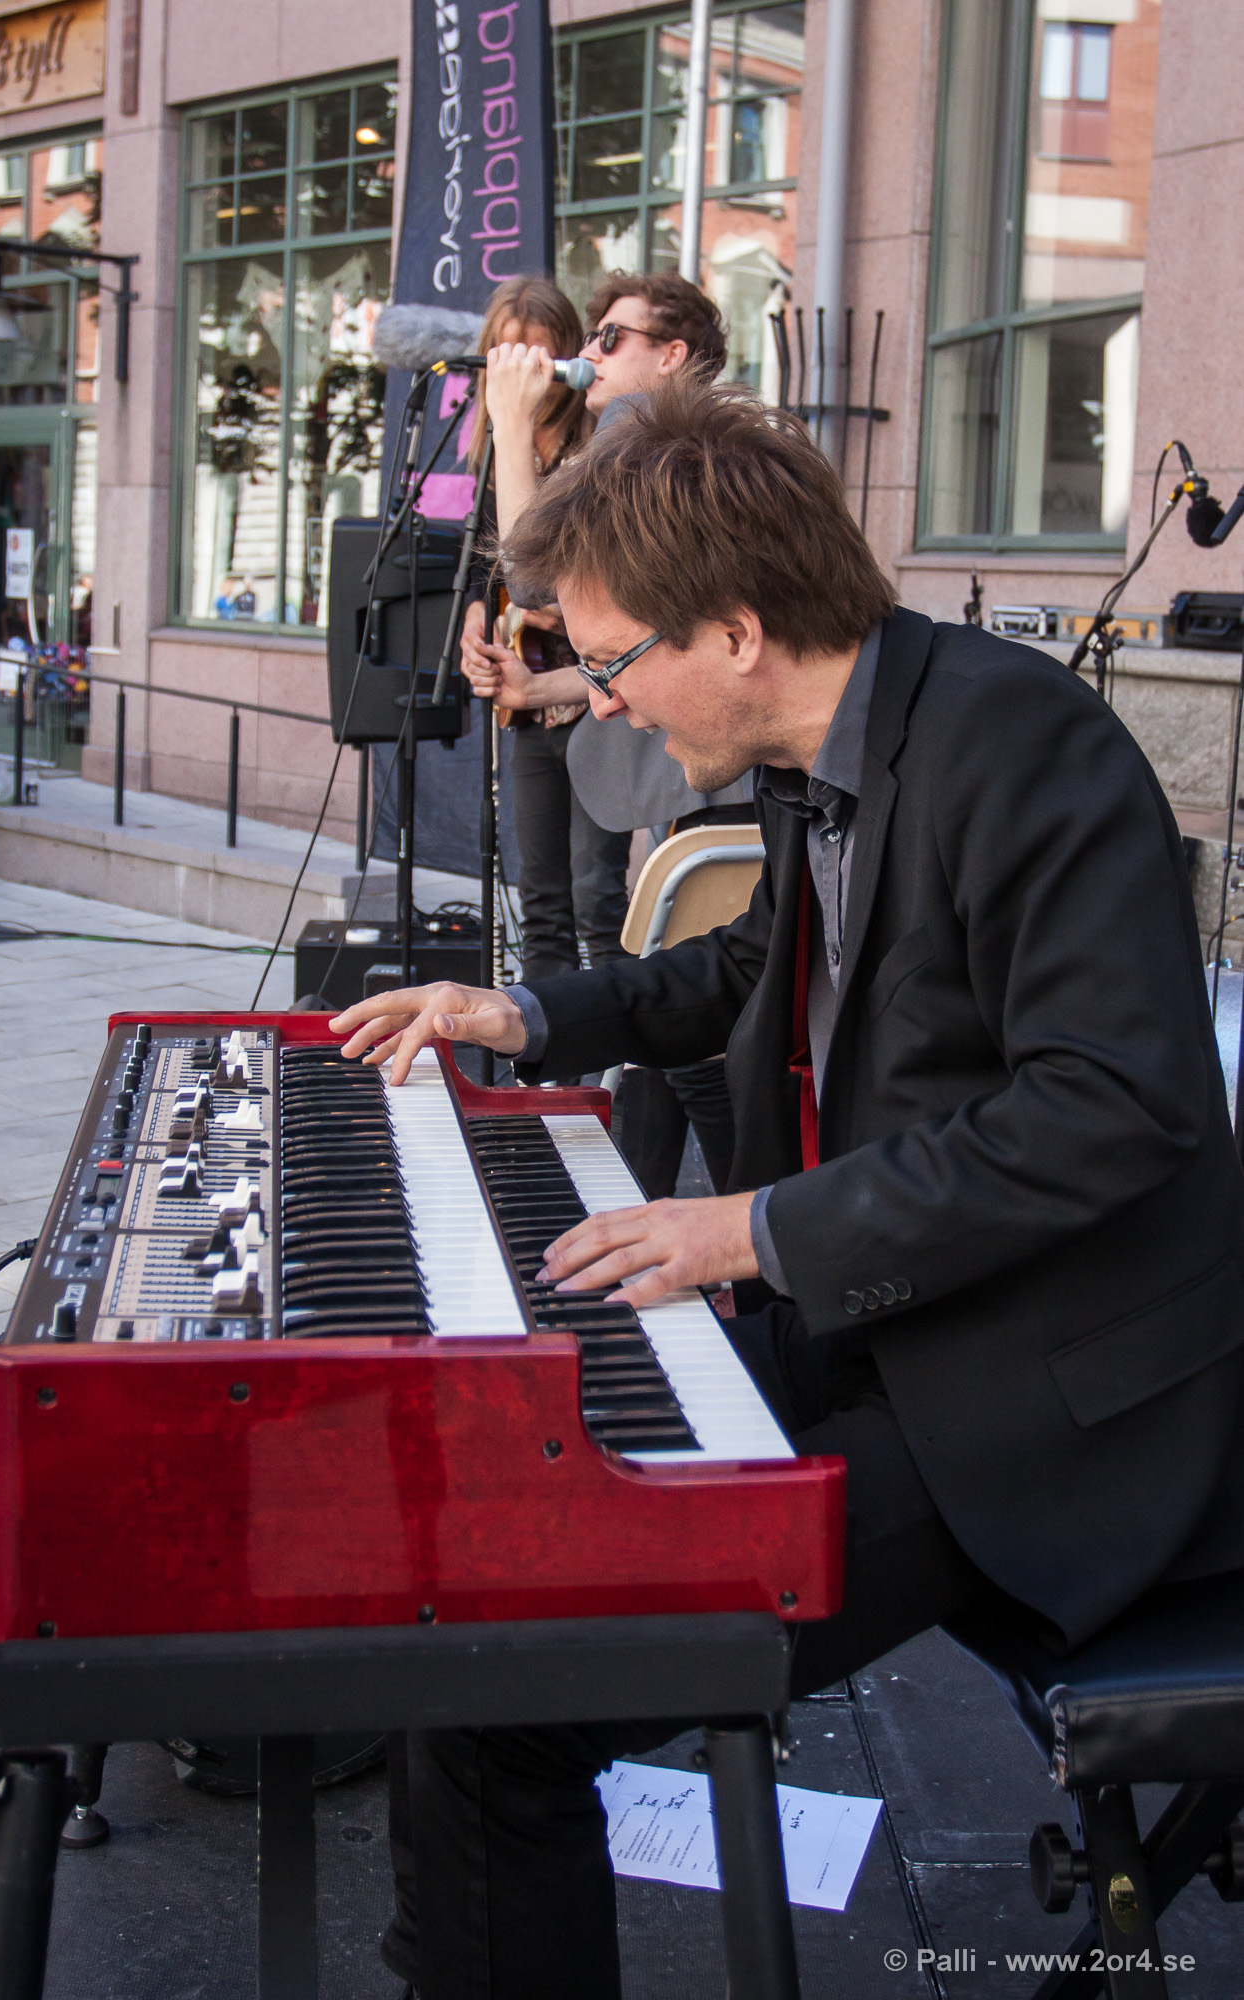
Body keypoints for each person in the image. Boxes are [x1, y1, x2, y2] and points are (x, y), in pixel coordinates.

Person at [330, 375, 1244, 2000]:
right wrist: (524, 1014)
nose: (605, 705)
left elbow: (1116, 1107)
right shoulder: (843, 747)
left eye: (614, 663)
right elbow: (756, 967)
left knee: (498, 1700)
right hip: (891, 1331)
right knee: (480, 1550)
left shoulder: (1020, 747)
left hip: (1040, 1414)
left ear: (738, 631)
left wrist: (748, 1229)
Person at [467, 270, 750, 1188]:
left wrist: (510, 422)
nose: (588, 353)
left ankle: (737, 1209)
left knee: (685, 1006)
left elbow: (537, 574)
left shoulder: (642, 441)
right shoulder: (695, 444)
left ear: (670, 357)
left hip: (727, 775)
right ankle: (641, 1192)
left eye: (610, 338)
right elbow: (648, 647)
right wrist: (540, 685)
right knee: (678, 997)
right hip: (726, 770)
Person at [457, 276, 627, 985]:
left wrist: (546, 605)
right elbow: (487, 563)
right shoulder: (496, 447)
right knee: (541, 898)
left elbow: (578, 582)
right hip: (526, 704)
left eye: (537, 351)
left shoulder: (597, 447)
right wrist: (477, 619)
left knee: (598, 896)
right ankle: (545, 1038)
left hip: (596, 697)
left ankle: (618, 1039)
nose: (525, 367)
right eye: (509, 352)